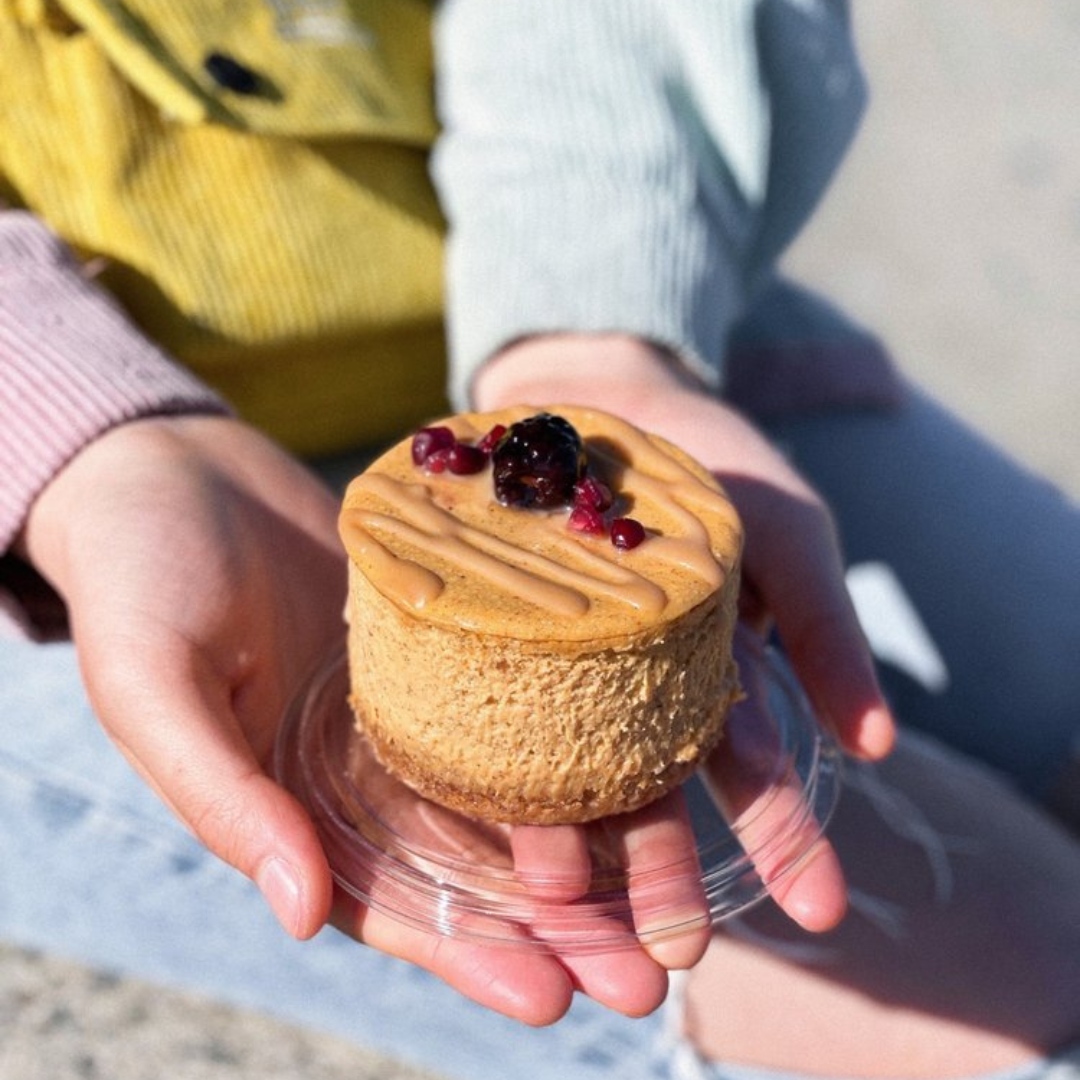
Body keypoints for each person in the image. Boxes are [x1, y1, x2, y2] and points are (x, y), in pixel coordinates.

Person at [0, 2, 1076, 1078]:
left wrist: (590, 313)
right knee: (1024, 976)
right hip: (66, 484)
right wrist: (75, 433)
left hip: (606, 290)